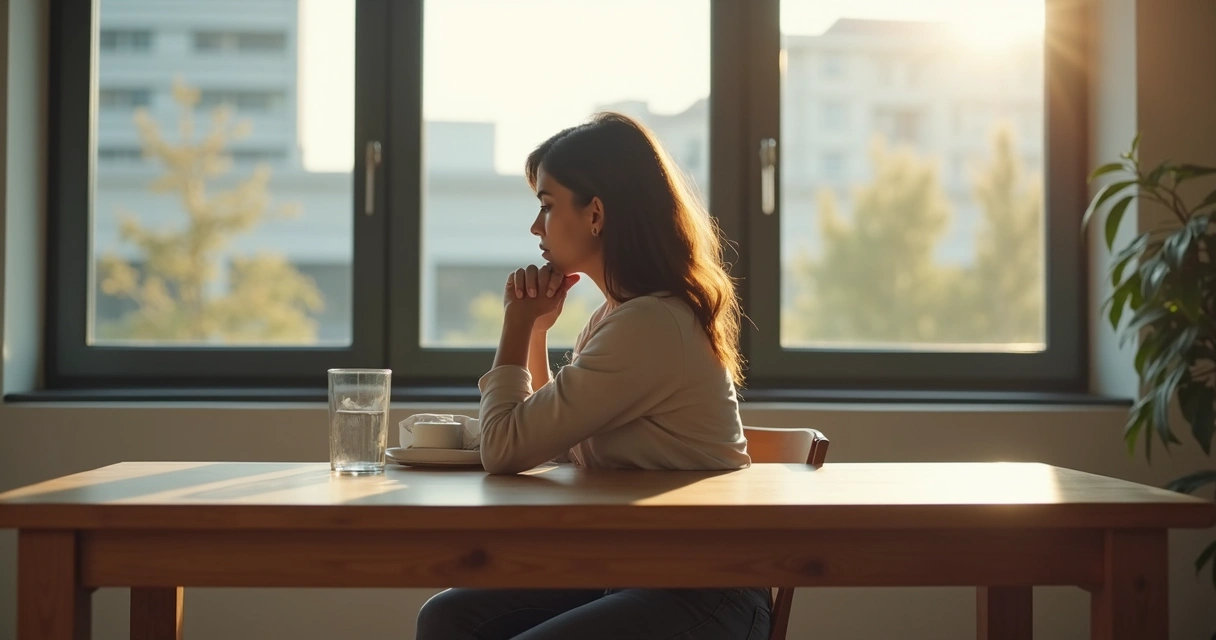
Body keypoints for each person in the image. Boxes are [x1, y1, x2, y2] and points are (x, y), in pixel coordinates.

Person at [415, 113, 771, 640]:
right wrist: (536, 332)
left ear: (596, 214)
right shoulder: (617, 317)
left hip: (706, 588)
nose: (536, 227)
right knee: (446, 616)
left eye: (547, 205)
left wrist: (513, 326)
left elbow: (505, 448)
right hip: (627, 573)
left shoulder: (650, 324)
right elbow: (551, 444)